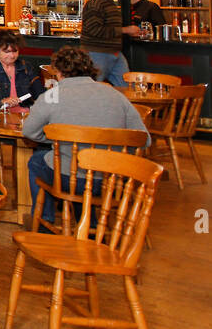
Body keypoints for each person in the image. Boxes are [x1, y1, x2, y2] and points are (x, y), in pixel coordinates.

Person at [21, 46, 149, 228]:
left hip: (70, 177)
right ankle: (89, 224)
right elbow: (144, 140)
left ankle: (44, 224)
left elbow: (29, 132)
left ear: (58, 72)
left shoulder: (52, 96)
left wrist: (60, 140)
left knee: (38, 161)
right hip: (112, 181)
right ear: (90, 69)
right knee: (77, 164)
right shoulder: (116, 95)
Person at [81, 0, 141, 85]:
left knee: (127, 87)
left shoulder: (110, 4)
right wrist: (125, 30)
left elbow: (109, 28)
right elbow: (94, 30)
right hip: (97, 53)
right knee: (93, 89)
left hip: (114, 53)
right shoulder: (95, 4)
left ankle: (125, 103)